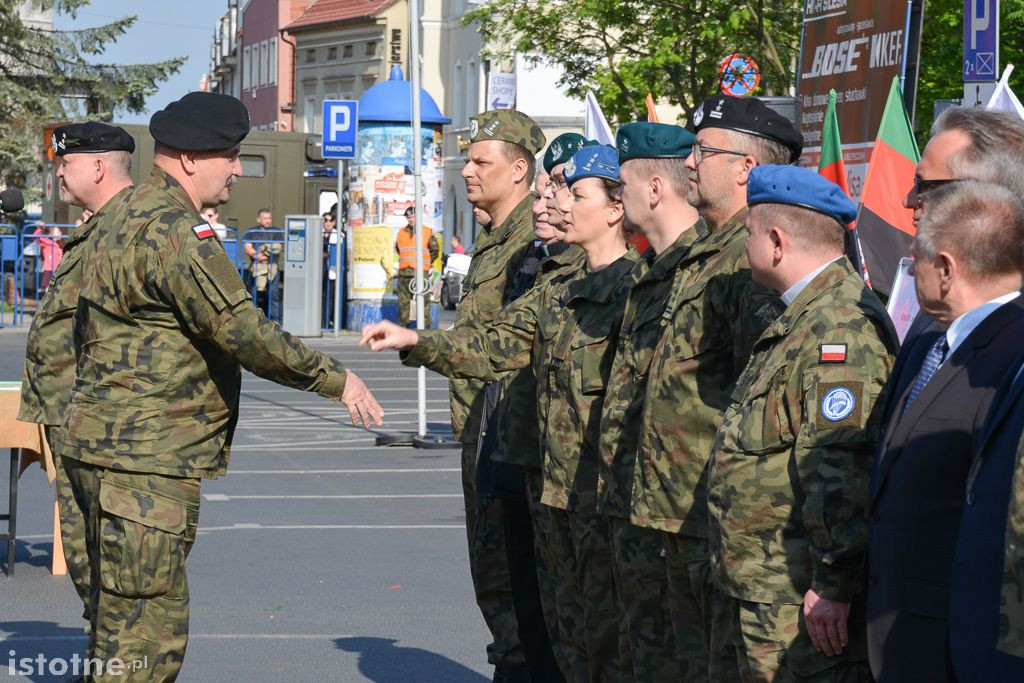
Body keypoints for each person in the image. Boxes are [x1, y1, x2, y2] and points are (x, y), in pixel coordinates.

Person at [59, 92, 383, 680]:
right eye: (229, 156)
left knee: (111, 629)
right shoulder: (175, 232)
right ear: (188, 159)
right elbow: (243, 331)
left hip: (92, 447)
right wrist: (336, 379)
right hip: (145, 462)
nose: (237, 168)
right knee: (143, 644)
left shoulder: (116, 216)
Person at [362, 144, 637, 683]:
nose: (555, 201)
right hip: (548, 483)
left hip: (601, 495)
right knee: (556, 630)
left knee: (608, 639)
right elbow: (495, 343)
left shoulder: (639, 289)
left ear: (614, 208)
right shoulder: (558, 286)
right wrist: (416, 339)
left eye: (574, 193)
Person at [706, 165, 898, 682]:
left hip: (798, 603)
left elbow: (840, 468)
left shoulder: (840, 327)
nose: (744, 250)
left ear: (775, 241)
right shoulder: (802, 318)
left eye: (747, 236)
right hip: (764, 590)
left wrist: (834, 585)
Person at [393, 108, 546, 683]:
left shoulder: (534, 243)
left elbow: (501, 343)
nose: (468, 173)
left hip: (512, 443)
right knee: (493, 581)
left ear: (520, 169)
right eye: (467, 162)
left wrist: (419, 341)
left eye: (482, 162)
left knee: (512, 585)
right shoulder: (495, 238)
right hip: (482, 434)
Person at [866, 180, 1024, 682]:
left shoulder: (1010, 357)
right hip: (896, 627)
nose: (910, 271)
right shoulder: (931, 342)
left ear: (947, 269)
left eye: (916, 260)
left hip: (950, 643)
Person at [17, 122, 136, 636]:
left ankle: (118, 658)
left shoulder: (129, 230)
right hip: (70, 418)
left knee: (109, 561)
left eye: (66, 164)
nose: (59, 173)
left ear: (97, 167)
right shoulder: (95, 228)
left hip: (103, 425)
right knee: (87, 559)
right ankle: (102, 653)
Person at [395, 205, 439, 328]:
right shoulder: (401, 232)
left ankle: (425, 326)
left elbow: (434, 250)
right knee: (403, 301)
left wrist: (427, 263)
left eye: (413, 217)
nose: (411, 219)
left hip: (420, 272)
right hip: (404, 271)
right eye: (409, 217)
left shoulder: (426, 231)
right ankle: (404, 326)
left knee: (423, 300)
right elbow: (399, 249)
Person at [244, 207, 283, 322]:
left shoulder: (276, 231)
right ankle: (254, 320)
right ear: (258, 219)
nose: (268, 220)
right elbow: (248, 248)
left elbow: (278, 247)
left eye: (269, 218)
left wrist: (265, 254)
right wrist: (259, 256)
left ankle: (276, 321)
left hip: (272, 267)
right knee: (254, 294)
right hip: (256, 267)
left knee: (274, 295)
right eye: (265, 218)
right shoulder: (251, 232)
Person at [322, 210, 341, 328]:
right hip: (320, 271)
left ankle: (330, 321)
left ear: (334, 222)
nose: (328, 223)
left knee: (331, 297)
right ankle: (322, 321)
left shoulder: (338, 235)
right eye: (325, 220)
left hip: (332, 271)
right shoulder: (318, 233)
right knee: (322, 297)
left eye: (331, 221)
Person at [34, 223, 64, 290]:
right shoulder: (46, 242)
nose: (60, 233)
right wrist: (40, 228)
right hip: (49, 269)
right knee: (48, 288)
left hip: (58, 270)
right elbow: (36, 237)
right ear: (51, 234)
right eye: (58, 232)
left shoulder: (59, 244)